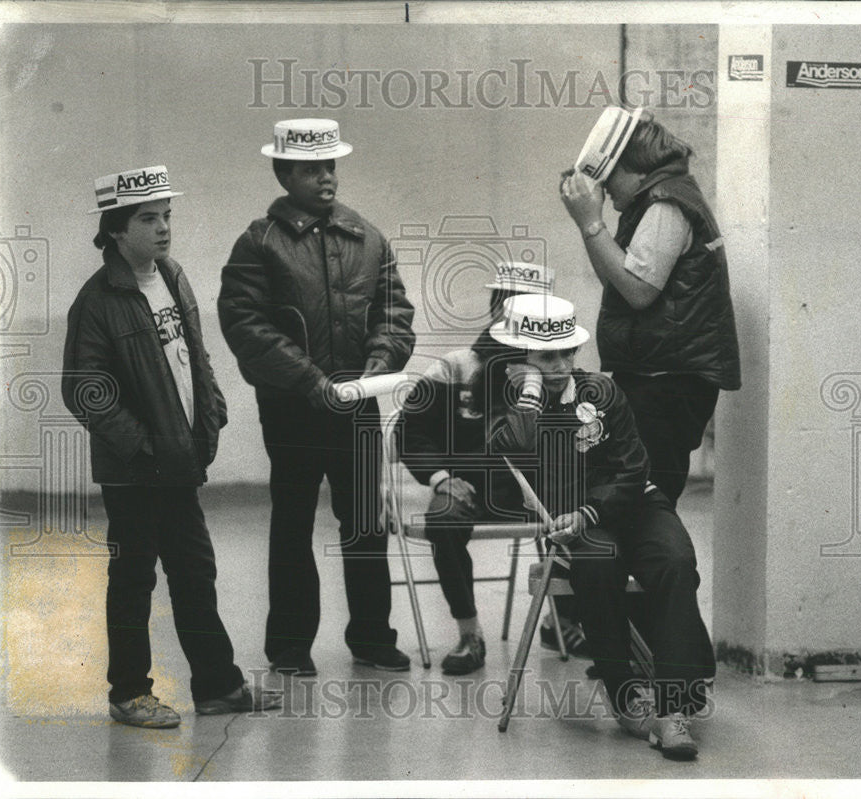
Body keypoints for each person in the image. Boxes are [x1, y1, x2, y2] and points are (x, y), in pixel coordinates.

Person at [62, 165, 281, 728]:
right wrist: (145, 449)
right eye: (147, 218)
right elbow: (84, 391)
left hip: (179, 463)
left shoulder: (172, 275)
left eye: (166, 216)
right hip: (137, 472)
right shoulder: (99, 299)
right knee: (134, 580)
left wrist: (211, 414)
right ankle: (129, 693)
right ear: (115, 228)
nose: (162, 228)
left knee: (194, 573)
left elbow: (195, 358)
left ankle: (216, 686)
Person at [218, 119, 416, 676]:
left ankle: (373, 638)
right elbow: (245, 325)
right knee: (293, 526)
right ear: (284, 173)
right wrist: (310, 381)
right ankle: (288, 647)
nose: (325, 177)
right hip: (292, 411)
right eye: (311, 168)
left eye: (330, 166)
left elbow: (394, 313)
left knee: (365, 525)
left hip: (357, 406)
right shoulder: (259, 243)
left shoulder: (368, 237)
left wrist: (378, 366)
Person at [488, 293, 716, 760]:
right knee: (597, 564)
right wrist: (529, 394)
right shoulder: (508, 402)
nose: (558, 366)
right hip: (571, 521)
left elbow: (633, 470)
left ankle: (674, 707)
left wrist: (591, 511)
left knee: (675, 559)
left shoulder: (602, 393)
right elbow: (509, 463)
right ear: (520, 360)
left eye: (565, 353)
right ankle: (626, 694)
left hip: (632, 503)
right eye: (545, 357)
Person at [397, 262, 589, 675]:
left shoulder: (558, 370)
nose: (515, 315)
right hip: (470, 489)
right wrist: (442, 479)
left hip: (539, 493)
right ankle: (470, 634)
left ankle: (563, 622)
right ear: (494, 308)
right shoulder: (455, 367)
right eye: (508, 304)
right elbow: (412, 433)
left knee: (587, 514)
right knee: (443, 519)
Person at [561, 107, 740, 507]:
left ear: (633, 167)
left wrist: (591, 223)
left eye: (608, 180)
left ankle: (658, 568)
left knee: (646, 494)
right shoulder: (657, 199)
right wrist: (590, 225)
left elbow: (638, 291)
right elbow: (615, 279)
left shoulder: (665, 205)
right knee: (635, 488)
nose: (606, 192)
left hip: (667, 381)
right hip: (659, 375)